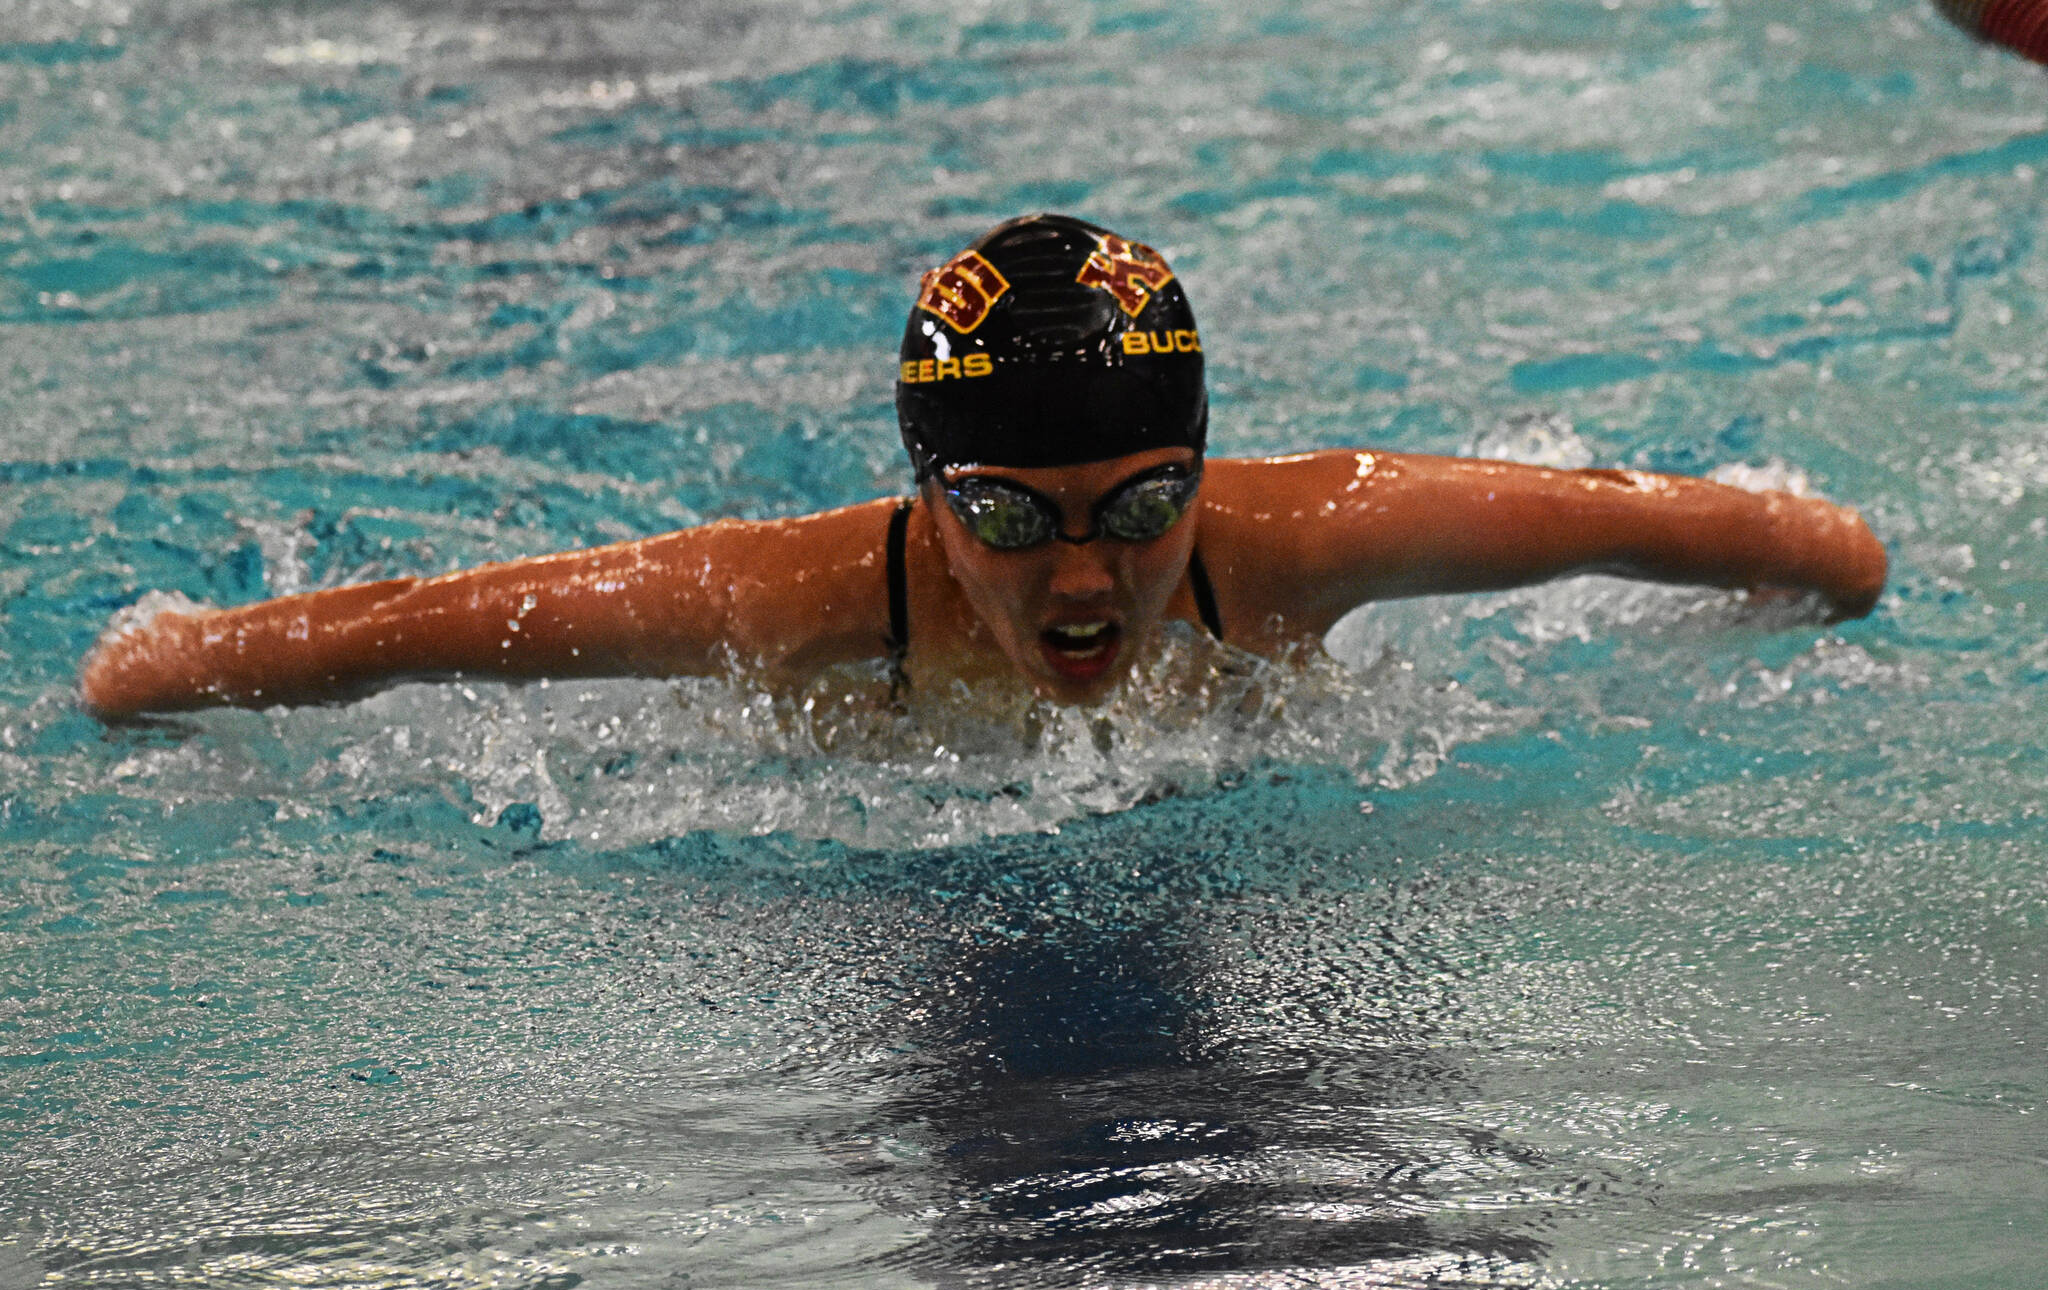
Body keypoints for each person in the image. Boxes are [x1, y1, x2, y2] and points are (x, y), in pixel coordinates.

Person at [78, 214, 1887, 722]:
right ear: (927, 497)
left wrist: (1820, 578)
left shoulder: (1307, 541)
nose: (1088, 580)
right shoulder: (797, 602)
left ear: (1200, 466)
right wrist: (164, 673)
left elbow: (1770, 538)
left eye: (1141, 509)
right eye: (1013, 521)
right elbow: (422, 628)